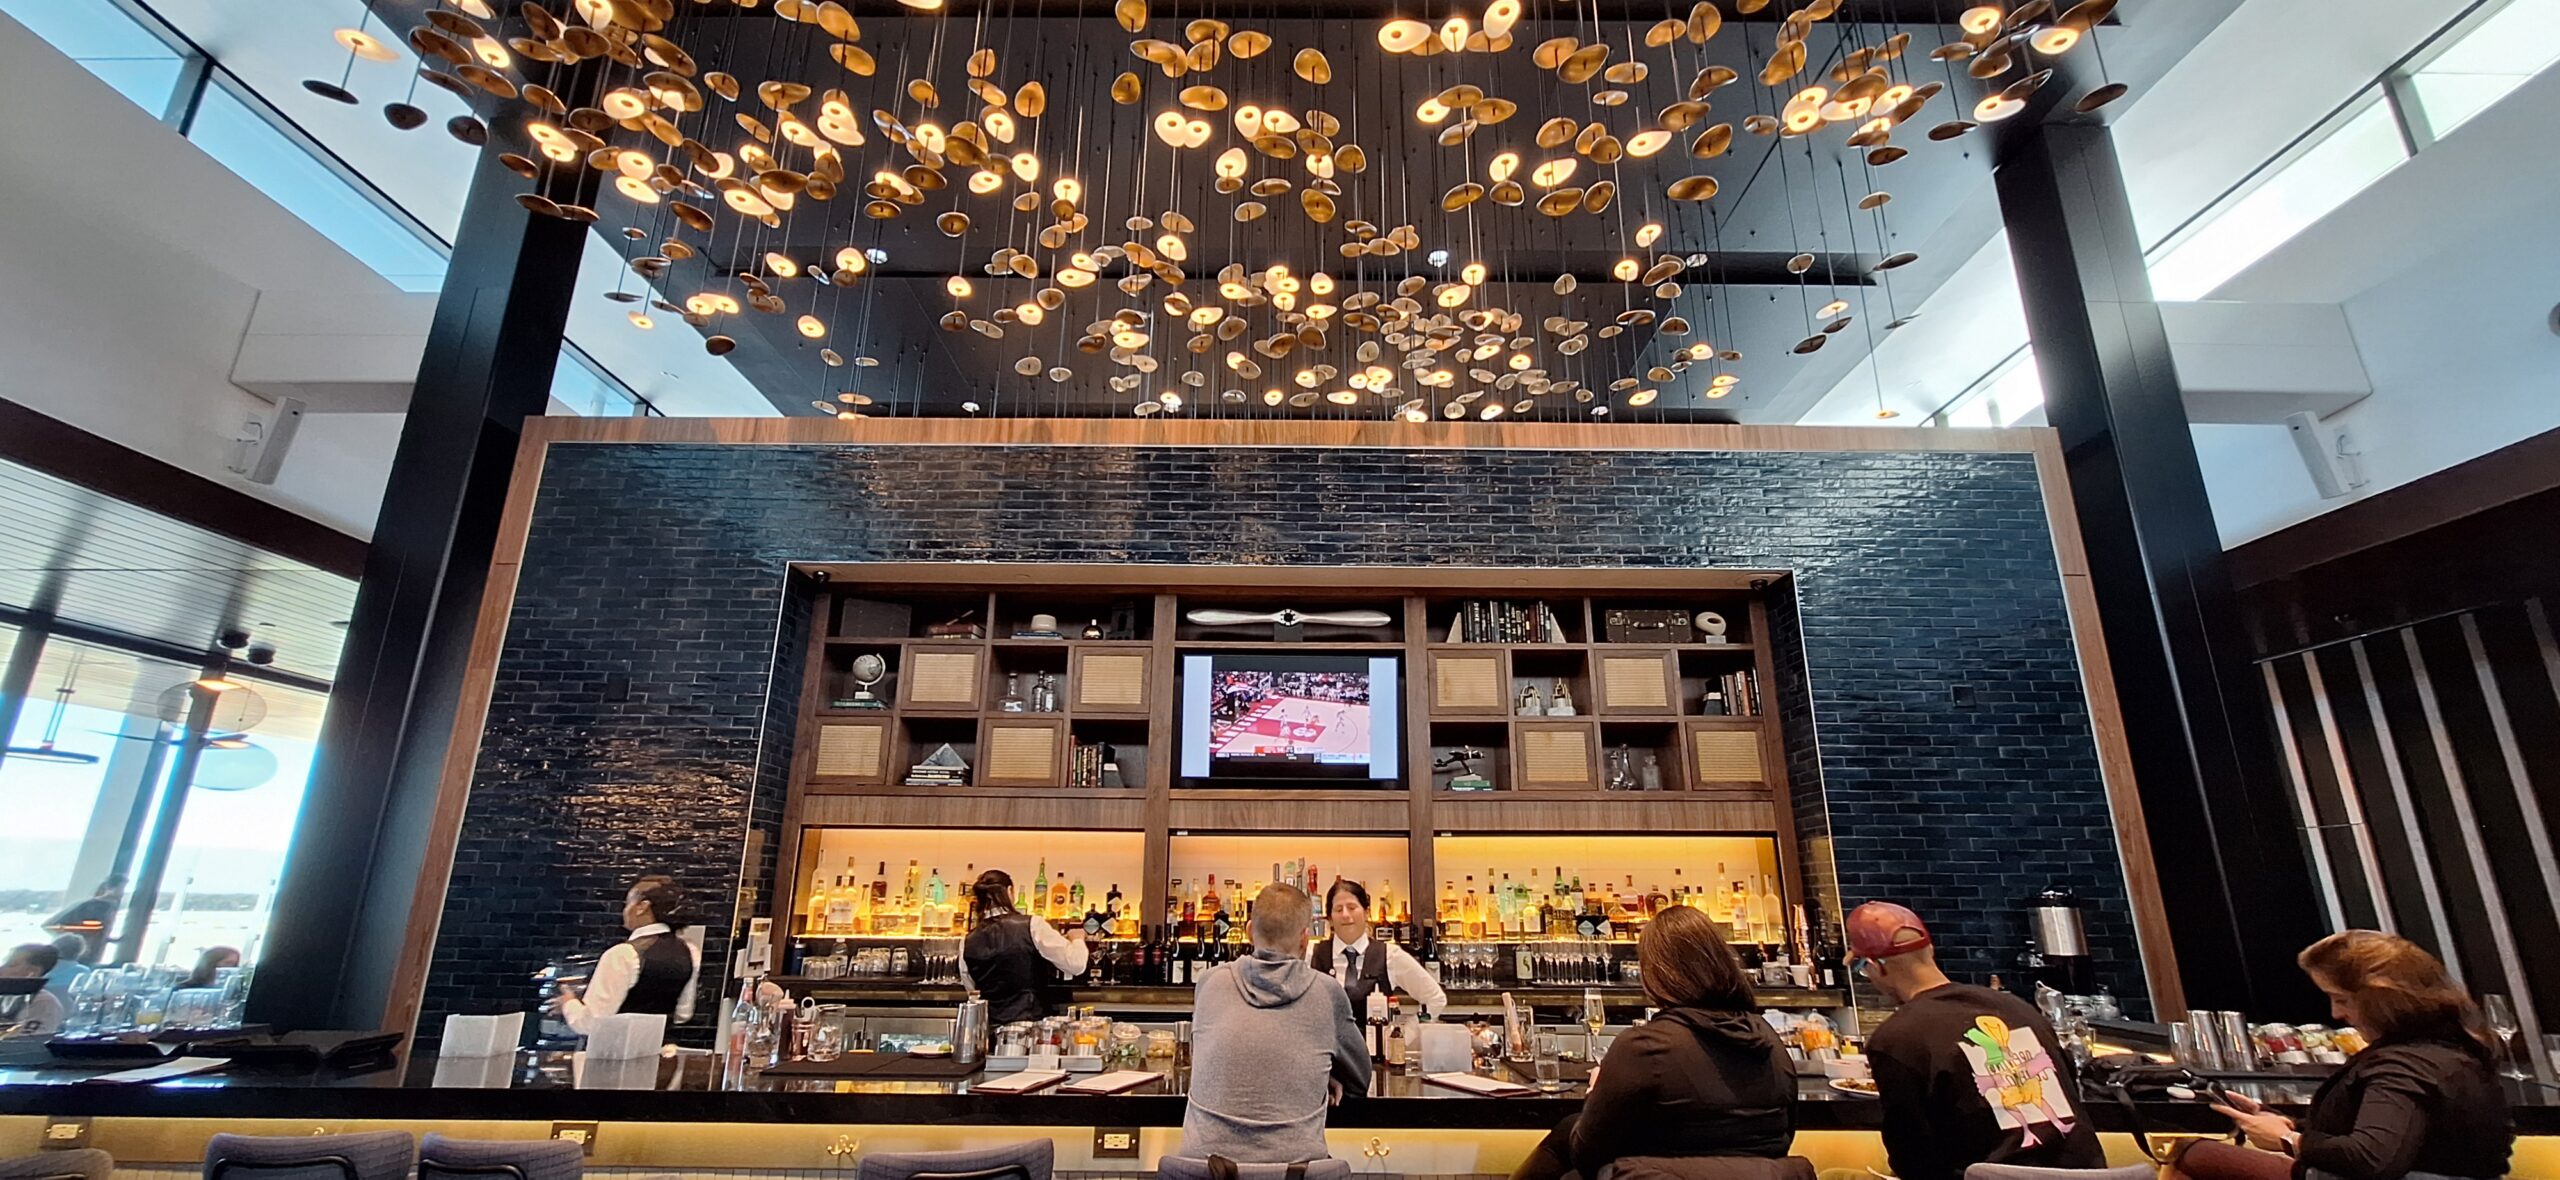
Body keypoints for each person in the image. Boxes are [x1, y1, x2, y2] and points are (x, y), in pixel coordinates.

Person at [2169, 930, 2512, 1180]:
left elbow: (2374, 1159)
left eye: (2343, 1000)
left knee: (2194, 1154)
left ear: (2382, 1000)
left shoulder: (2404, 1066)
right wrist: (2282, 1122)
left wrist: (2290, 1140)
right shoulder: (2450, 1051)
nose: (2336, 1013)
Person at [1510, 906, 1796, 1180]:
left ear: (1656, 974)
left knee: (1567, 1133)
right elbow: (1783, 1137)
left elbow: (1588, 1154)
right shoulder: (1771, 1041)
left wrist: (1600, 1089)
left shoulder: (1644, 1047)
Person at [1854, 901, 2103, 1180]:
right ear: (1930, 950)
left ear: (1875, 968)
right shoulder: (2019, 1009)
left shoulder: (1896, 1038)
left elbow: (1912, 1158)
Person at [1180, 881, 1371, 1164]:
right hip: (1295, 1171)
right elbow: (1359, 1079)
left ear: (1248, 932)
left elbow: (1221, 1057)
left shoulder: (1210, 982)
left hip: (1206, 1169)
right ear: (1305, 939)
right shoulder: (1327, 992)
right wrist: (1319, 1075)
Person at [549, 875, 701, 1036]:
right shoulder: (690, 952)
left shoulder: (623, 954)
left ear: (642, 906)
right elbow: (683, 1014)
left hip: (610, 1053)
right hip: (654, 1051)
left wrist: (569, 1003)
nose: (624, 911)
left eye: (628, 903)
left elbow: (593, 1023)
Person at [960, 869, 1088, 1023]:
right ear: (1009, 892)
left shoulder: (967, 940)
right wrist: (1078, 939)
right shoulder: (1032, 925)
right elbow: (1076, 964)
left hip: (989, 1028)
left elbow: (972, 991)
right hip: (1030, 1027)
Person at [1310, 879, 1446, 1018]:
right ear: (1330, 918)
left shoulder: (1390, 955)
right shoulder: (1311, 954)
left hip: (1374, 1038)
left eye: (1352, 908)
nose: (1345, 915)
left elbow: (1436, 998)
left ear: (1366, 913)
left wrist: (1408, 1031)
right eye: (1338, 909)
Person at [42, 875, 123, 965]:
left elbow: (98, 931)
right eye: (121, 888)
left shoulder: (109, 907)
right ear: (111, 888)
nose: (122, 893)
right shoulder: (91, 905)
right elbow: (49, 925)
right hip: (75, 957)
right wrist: (79, 938)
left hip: (91, 956)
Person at [0, 944, 66, 1036]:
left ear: (33, 972)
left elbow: (25, 1043)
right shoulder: (5, 996)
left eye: (11, 965)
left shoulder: (44, 1003)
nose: (1, 969)